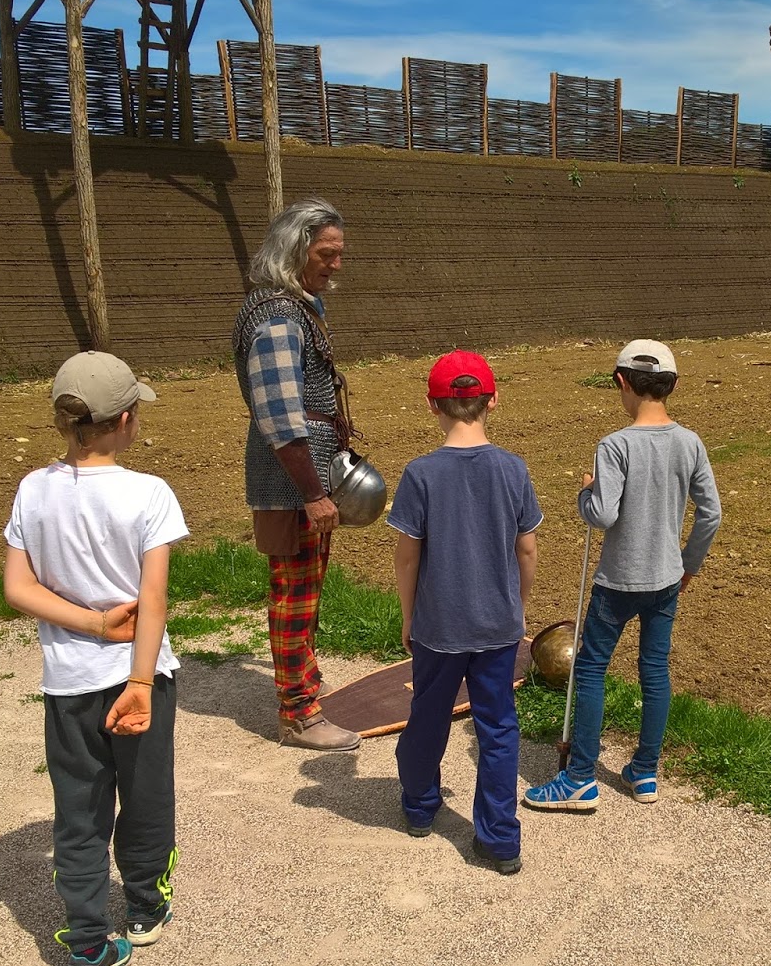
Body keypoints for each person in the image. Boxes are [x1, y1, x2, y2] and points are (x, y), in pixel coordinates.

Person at [2, 351, 188, 966]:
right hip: (140, 680)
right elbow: (153, 600)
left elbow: (18, 588)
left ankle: (87, 946)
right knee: (145, 798)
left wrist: (91, 624)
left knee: (78, 812)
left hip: (69, 683)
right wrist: (139, 682)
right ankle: (144, 909)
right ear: (126, 420)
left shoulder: (33, 489)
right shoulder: (149, 493)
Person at [524, 339, 721, 812]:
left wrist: (585, 494)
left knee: (591, 668)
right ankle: (645, 771)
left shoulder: (614, 446)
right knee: (654, 670)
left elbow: (603, 515)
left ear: (620, 382)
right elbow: (711, 513)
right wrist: (688, 564)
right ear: (672, 385)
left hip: (617, 582)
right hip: (666, 580)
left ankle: (579, 778)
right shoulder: (690, 442)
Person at [389, 351, 541, 874]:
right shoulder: (513, 469)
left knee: (427, 717)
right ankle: (499, 840)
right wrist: (518, 606)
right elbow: (527, 550)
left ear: (432, 405)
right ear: (492, 401)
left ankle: (419, 807)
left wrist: (408, 616)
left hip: (439, 626)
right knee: (497, 727)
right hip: (499, 625)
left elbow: (407, 557)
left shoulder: (420, 474)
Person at [232, 198, 362, 751]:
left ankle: (302, 678)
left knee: (306, 588)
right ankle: (299, 714)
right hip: (290, 482)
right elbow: (280, 417)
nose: (336, 264)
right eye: (326, 253)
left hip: (305, 477)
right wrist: (311, 492)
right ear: (295, 250)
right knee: (294, 596)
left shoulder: (295, 308)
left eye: (338, 253)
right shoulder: (278, 320)